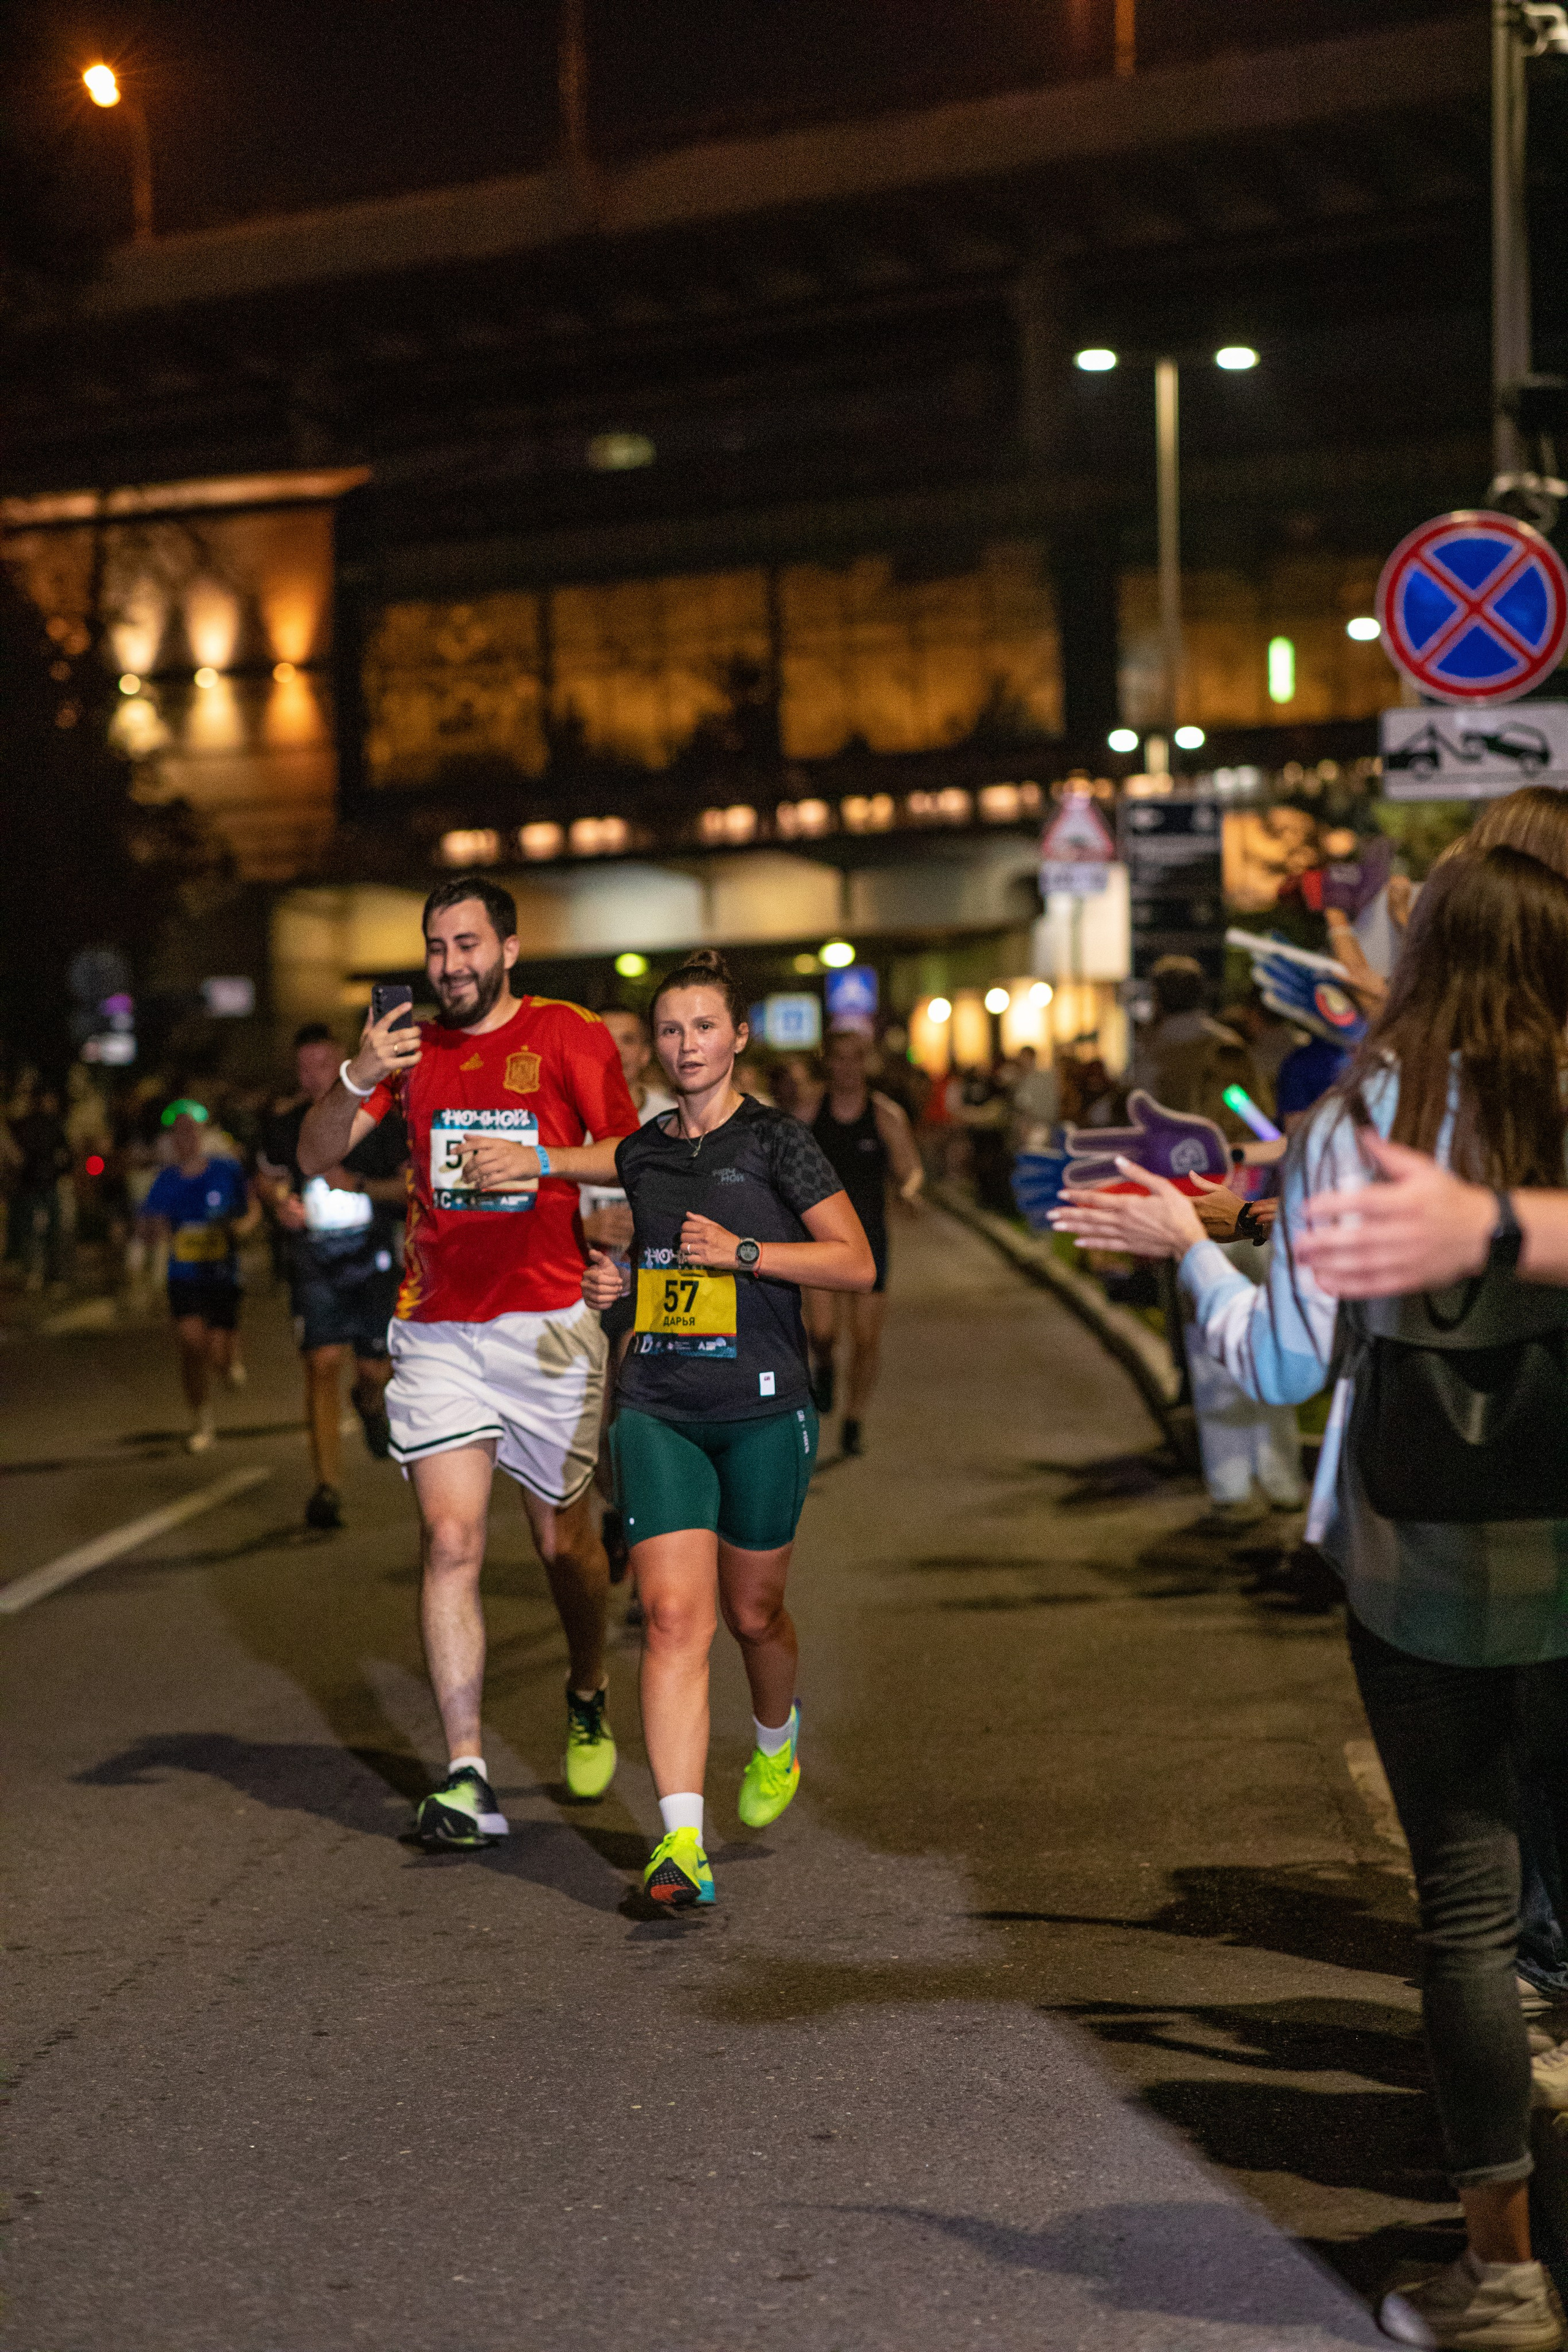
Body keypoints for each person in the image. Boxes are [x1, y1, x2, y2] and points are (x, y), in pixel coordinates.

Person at [1053, 845, 1568, 2351]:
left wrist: (1190, 1251)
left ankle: (1503, 2278)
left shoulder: (1357, 1121)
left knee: (1466, 1922)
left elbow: (1279, 1365)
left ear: (1420, 959)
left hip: (1419, 1580)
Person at [298, 875, 639, 1846]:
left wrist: (565, 1188)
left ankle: (586, 1685)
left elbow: (627, 1155)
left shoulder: (571, 1036)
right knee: (451, 1542)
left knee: (559, 1546)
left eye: (468, 944)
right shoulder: (407, 1051)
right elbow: (315, 1153)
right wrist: (360, 1075)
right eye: (437, 947)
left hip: (548, 1324)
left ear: (509, 948)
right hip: (439, 1328)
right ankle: (467, 1776)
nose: (450, 965)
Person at [581, 949, 875, 1909]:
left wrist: (747, 1250)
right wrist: (616, 1292)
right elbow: (659, 1273)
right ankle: (680, 1845)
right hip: (659, 1404)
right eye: (670, 1030)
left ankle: (777, 1736)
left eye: (704, 1026)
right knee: (672, 1619)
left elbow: (854, 1264)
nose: (686, 1045)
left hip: (762, 1409)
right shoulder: (643, 1153)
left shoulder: (780, 1142)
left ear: (738, 1036)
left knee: (753, 1615)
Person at [258, 1023, 410, 1531]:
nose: (314, 1077)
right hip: (314, 1261)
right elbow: (269, 1178)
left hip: (373, 1262)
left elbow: (414, 1185)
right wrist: (282, 1204)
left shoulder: (381, 1119)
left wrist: (360, 1186)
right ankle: (327, 1486)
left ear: (345, 1062)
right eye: (304, 1068)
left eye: (323, 1065)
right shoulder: (287, 1125)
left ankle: (370, 1404)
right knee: (321, 1363)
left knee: (373, 1371)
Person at [576, 1005, 677, 1585]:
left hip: (656, 1290)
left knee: (639, 1415)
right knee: (598, 1430)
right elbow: (537, 1203)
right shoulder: (567, 1119)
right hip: (582, 1291)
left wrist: (649, 1225)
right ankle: (615, 1511)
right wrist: (586, 1229)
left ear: (646, 1051)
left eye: (630, 1040)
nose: (618, 1052)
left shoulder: (672, 1117)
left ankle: (647, 1561)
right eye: (605, 1041)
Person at [802, 1027, 922, 1456]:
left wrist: (908, 1191)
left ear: (866, 1063)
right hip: (818, 1236)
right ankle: (824, 1364)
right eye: (839, 1058)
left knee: (866, 1338)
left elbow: (910, 1167)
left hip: (869, 1237)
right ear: (828, 1062)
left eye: (856, 1058)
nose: (848, 1067)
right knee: (822, 1331)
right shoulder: (809, 1111)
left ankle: (854, 1418)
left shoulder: (885, 1115)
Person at [138, 1101, 260, 1452]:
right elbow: (149, 1225)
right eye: (179, 1133)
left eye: (192, 1131)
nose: (186, 1139)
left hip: (222, 1275)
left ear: (202, 1136)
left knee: (218, 1352)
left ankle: (229, 1362)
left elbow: (252, 1208)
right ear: (172, 1141)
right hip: (185, 1275)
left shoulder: (225, 1170)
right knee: (191, 1345)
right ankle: (202, 1421)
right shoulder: (166, 1181)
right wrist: (153, 1232)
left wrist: (242, 1226)